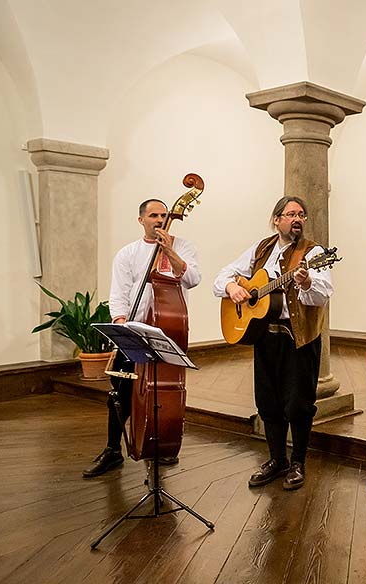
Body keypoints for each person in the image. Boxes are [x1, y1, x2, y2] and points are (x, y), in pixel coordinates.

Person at [213, 195, 333, 490]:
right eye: (291, 214)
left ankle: (298, 462)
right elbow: (222, 276)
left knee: (299, 404)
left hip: (299, 338)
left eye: (302, 215)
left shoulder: (313, 252)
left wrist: (305, 282)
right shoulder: (261, 249)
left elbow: (323, 293)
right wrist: (232, 287)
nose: (298, 219)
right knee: (268, 402)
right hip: (264, 336)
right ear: (276, 219)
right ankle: (277, 459)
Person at [83, 199, 201, 477]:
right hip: (134, 331)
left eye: (163, 215)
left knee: (164, 392)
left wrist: (169, 250)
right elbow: (119, 293)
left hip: (168, 331)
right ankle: (113, 450)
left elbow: (193, 278)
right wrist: (122, 323)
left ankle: (163, 444)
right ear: (141, 220)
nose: (159, 219)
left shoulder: (183, 247)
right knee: (120, 393)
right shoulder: (128, 253)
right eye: (153, 215)